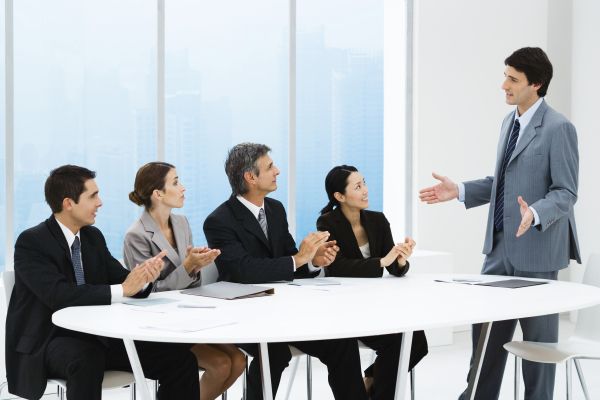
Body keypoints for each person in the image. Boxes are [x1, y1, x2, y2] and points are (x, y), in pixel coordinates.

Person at [419, 47, 580, 400]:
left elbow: (566, 191)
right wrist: (458, 190)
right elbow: (502, 182)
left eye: (512, 78)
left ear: (535, 84)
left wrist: (535, 212)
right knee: (486, 343)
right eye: (505, 75)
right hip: (497, 251)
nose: (503, 84)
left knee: (538, 355)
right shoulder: (509, 122)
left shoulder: (559, 127)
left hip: (537, 255)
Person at [5, 165, 199, 400]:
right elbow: (59, 295)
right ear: (69, 203)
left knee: (180, 359)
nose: (100, 203)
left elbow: (122, 279)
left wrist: (145, 277)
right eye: (93, 196)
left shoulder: (92, 237)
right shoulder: (32, 242)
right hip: (51, 340)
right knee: (86, 359)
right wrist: (123, 289)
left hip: (98, 336)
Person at [203, 143, 368, 400]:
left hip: (286, 312)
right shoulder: (219, 221)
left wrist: (314, 261)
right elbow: (242, 270)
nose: (277, 170)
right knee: (272, 351)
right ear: (250, 177)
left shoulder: (276, 209)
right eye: (270, 167)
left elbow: (293, 262)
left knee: (341, 341)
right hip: (246, 316)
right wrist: (298, 258)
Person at [123, 161, 246, 400]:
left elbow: (190, 283)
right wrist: (188, 267)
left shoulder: (182, 223)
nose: (183, 188)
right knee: (220, 365)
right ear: (158, 194)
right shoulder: (136, 235)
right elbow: (148, 292)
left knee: (238, 361)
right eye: (176, 183)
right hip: (160, 327)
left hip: (190, 316)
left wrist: (196, 265)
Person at [317, 165, 429, 400]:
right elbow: (337, 267)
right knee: (398, 343)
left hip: (377, 306)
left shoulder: (377, 220)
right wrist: (381, 262)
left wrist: (400, 260)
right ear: (340, 196)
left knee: (416, 340)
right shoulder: (328, 223)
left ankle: (370, 381)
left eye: (364, 183)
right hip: (345, 310)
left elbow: (393, 267)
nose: (366, 190)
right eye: (358, 186)